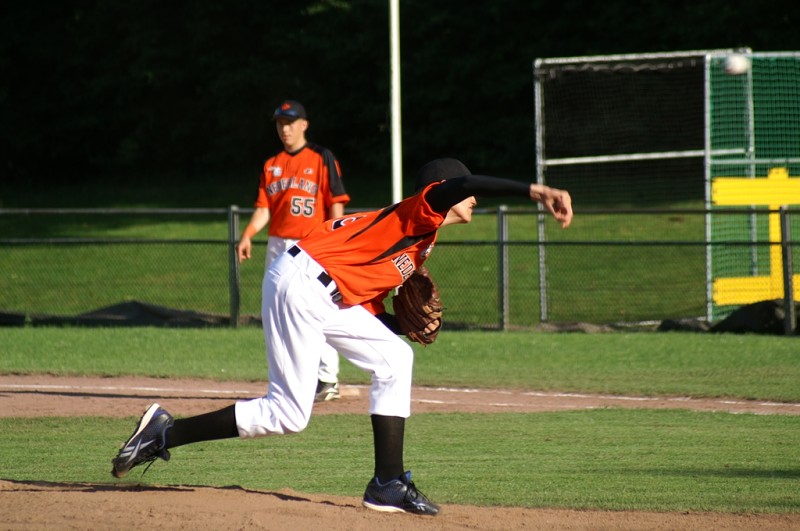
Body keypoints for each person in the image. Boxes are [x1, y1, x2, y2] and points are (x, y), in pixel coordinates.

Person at [110, 158, 573, 516]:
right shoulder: (419, 213)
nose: (473, 200)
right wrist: (536, 191)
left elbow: (367, 312)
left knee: (394, 357)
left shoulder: (416, 242)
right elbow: (464, 185)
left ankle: (387, 483)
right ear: (440, 191)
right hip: (303, 285)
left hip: (324, 293)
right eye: (464, 191)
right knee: (288, 414)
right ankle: (165, 432)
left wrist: (406, 326)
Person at [238, 99, 350, 402]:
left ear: (304, 125)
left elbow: (335, 201)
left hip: (311, 243)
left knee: (316, 308)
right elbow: (264, 208)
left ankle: (327, 378)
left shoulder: (322, 157)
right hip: (278, 245)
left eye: (289, 123)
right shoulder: (271, 164)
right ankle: (289, 379)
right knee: (275, 310)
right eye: (280, 123)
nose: (284, 129)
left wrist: (336, 239)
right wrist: (248, 234)